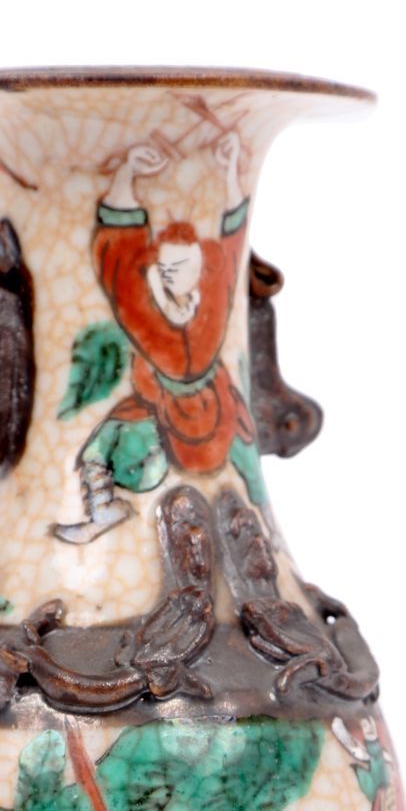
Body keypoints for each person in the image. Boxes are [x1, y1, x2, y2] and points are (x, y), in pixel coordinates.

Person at [55, 133, 262, 542]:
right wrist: (127, 174)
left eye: (182, 268)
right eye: (164, 269)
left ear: (201, 265)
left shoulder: (214, 292)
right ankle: (101, 511)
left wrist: (232, 171)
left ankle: (256, 521)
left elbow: (232, 245)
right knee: (103, 444)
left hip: (216, 400)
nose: (171, 276)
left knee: (243, 454)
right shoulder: (143, 307)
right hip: (160, 400)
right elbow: (119, 260)